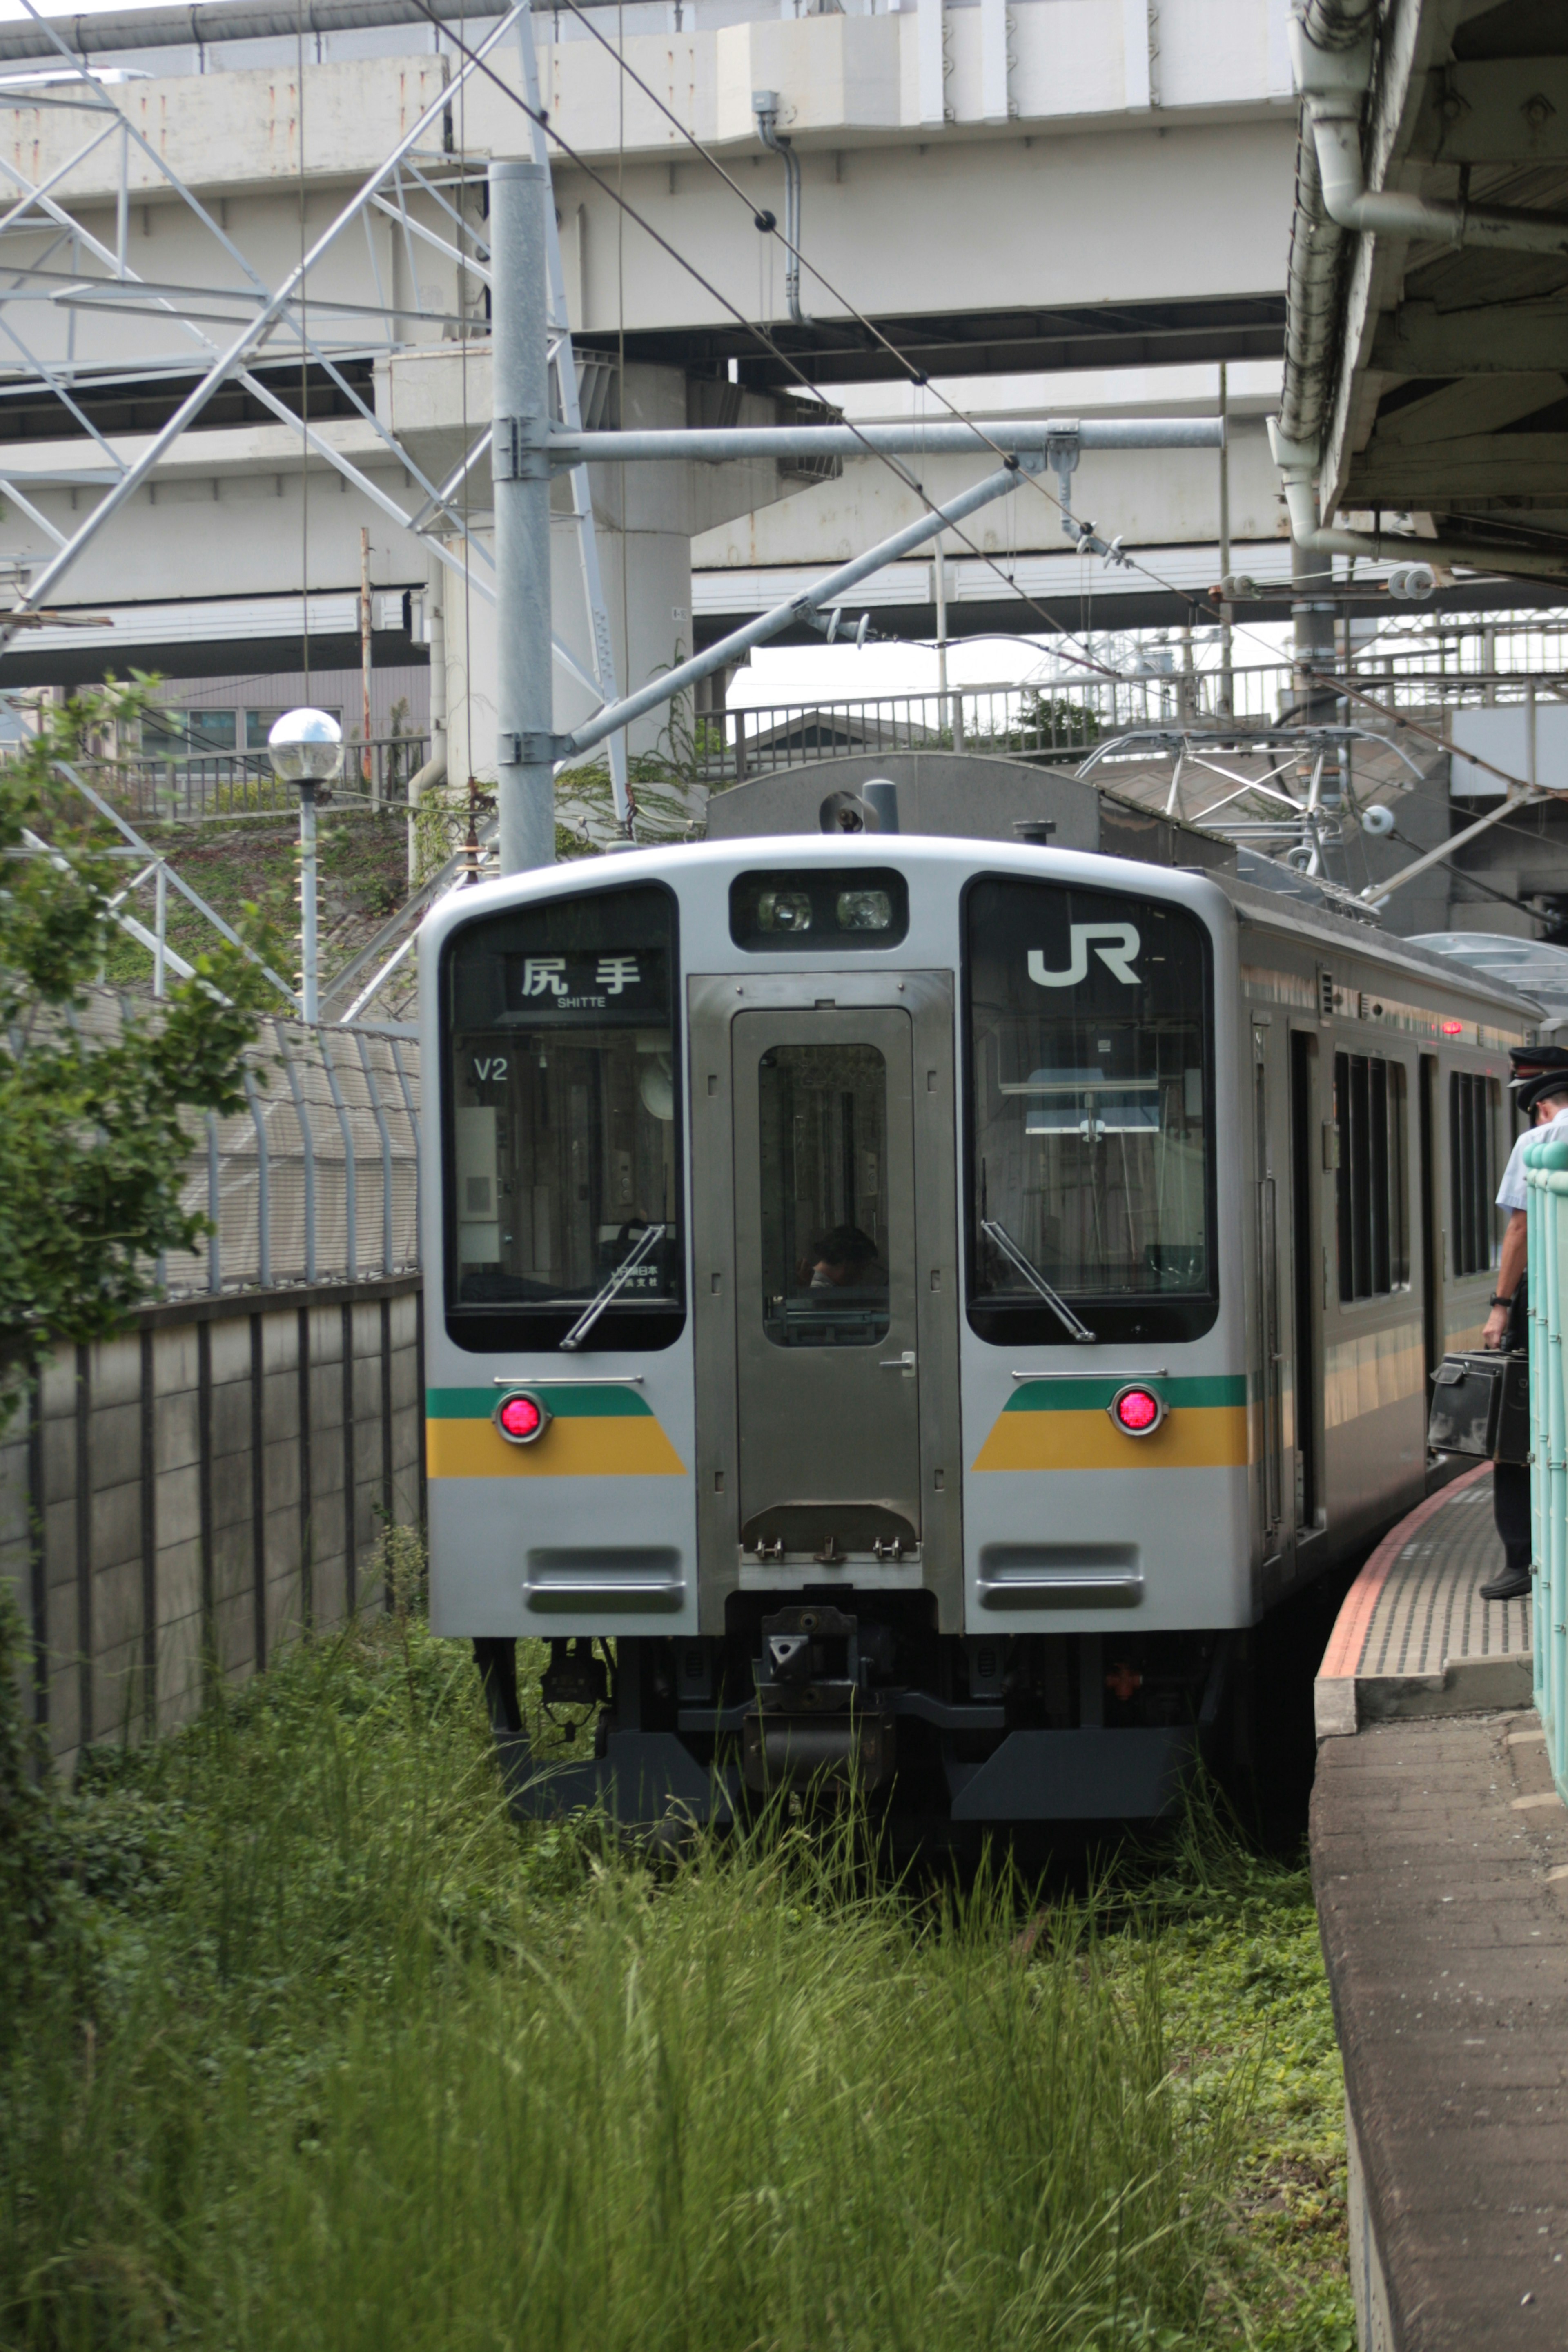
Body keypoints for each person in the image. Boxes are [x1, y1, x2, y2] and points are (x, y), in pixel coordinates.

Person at [1478, 1049, 1568, 1601]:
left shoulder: (1538, 1145)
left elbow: (1518, 1230)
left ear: (1539, 1108)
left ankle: (1521, 1558)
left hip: (1547, 1306)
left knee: (1517, 1428)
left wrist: (1500, 1305)